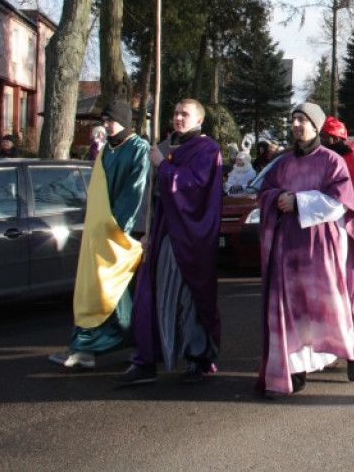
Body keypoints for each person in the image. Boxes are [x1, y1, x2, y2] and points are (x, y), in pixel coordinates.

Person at [255, 103, 354, 398]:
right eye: (293, 119)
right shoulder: (282, 164)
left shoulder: (332, 161)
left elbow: (340, 201)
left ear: (316, 126)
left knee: (329, 307)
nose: (296, 124)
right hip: (289, 246)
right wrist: (278, 197)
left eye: (302, 120)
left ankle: (353, 350)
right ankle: (296, 369)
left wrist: (299, 202)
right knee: (292, 309)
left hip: (322, 246)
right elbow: (264, 192)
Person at [114, 99, 223, 386]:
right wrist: (146, 232)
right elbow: (151, 195)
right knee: (152, 292)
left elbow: (195, 187)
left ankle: (196, 357)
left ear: (199, 119)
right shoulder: (161, 148)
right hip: (163, 229)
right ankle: (147, 358)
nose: (178, 118)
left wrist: (164, 168)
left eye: (184, 114)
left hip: (191, 235)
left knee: (189, 295)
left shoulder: (207, 150)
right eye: (175, 113)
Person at [48, 101, 149, 370]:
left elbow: (136, 192)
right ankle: (85, 348)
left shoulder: (138, 148)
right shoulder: (107, 150)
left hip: (118, 236)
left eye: (109, 120)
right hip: (100, 234)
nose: (105, 125)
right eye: (103, 120)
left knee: (115, 292)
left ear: (124, 121)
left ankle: (127, 347)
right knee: (95, 290)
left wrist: (119, 229)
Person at [321, 115, 354, 316]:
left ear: (333, 138)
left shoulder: (344, 159)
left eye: (324, 136)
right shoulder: (340, 157)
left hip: (347, 220)